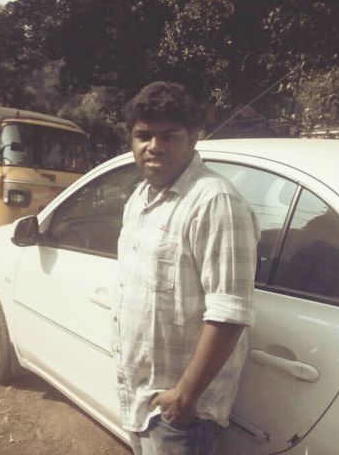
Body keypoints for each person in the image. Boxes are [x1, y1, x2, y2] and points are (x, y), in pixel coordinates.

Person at [113, 81, 260, 455]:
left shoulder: (215, 202)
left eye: (169, 136)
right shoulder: (141, 198)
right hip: (141, 400)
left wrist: (185, 395)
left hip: (180, 412)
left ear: (194, 138)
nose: (154, 146)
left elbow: (230, 313)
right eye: (143, 136)